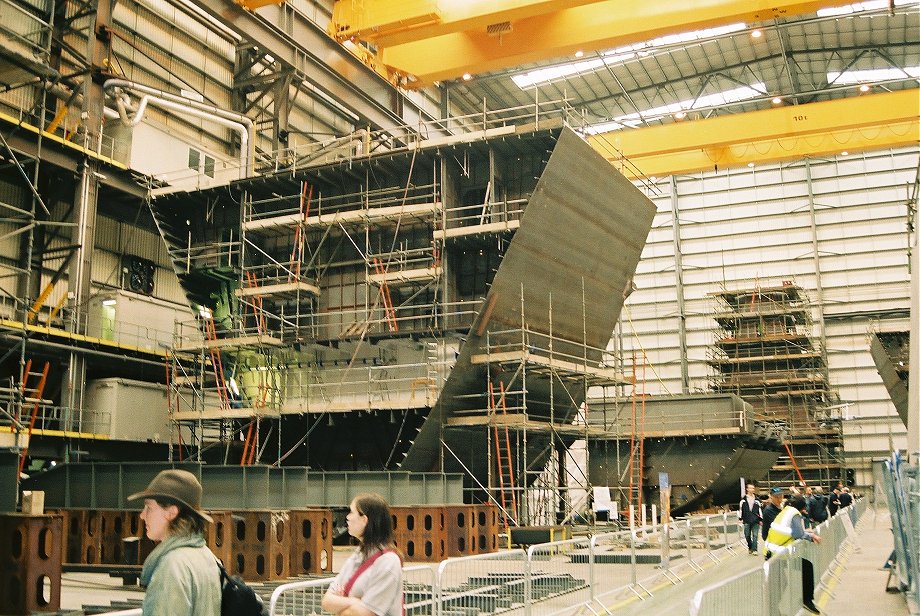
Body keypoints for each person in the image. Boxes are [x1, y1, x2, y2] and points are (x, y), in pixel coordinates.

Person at [128, 469, 221, 616]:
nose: (142, 515)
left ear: (171, 512)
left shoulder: (173, 566)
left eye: (149, 508)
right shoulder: (207, 557)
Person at [322, 493, 403, 616]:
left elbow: (366, 613)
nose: (347, 517)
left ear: (364, 520)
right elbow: (327, 601)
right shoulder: (358, 555)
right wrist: (354, 601)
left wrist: (341, 604)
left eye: (351, 512)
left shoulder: (388, 562)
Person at [764, 496, 823, 614]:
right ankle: (806, 600)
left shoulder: (786, 511)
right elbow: (797, 533)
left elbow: (790, 531)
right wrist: (811, 537)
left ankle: (774, 611)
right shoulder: (795, 513)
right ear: (802, 507)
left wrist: (805, 531)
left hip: (773, 553)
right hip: (778, 554)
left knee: (781, 583)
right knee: (805, 568)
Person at [738, 483, 762, 554]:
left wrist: (761, 519)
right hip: (746, 520)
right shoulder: (743, 500)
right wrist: (740, 518)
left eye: (753, 488)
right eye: (750, 488)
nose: (752, 489)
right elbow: (741, 510)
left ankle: (755, 550)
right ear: (747, 489)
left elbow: (760, 510)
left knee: (755, 535)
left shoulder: (757, 500)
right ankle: (750, 546)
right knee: (747, 535)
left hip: (755, 520)